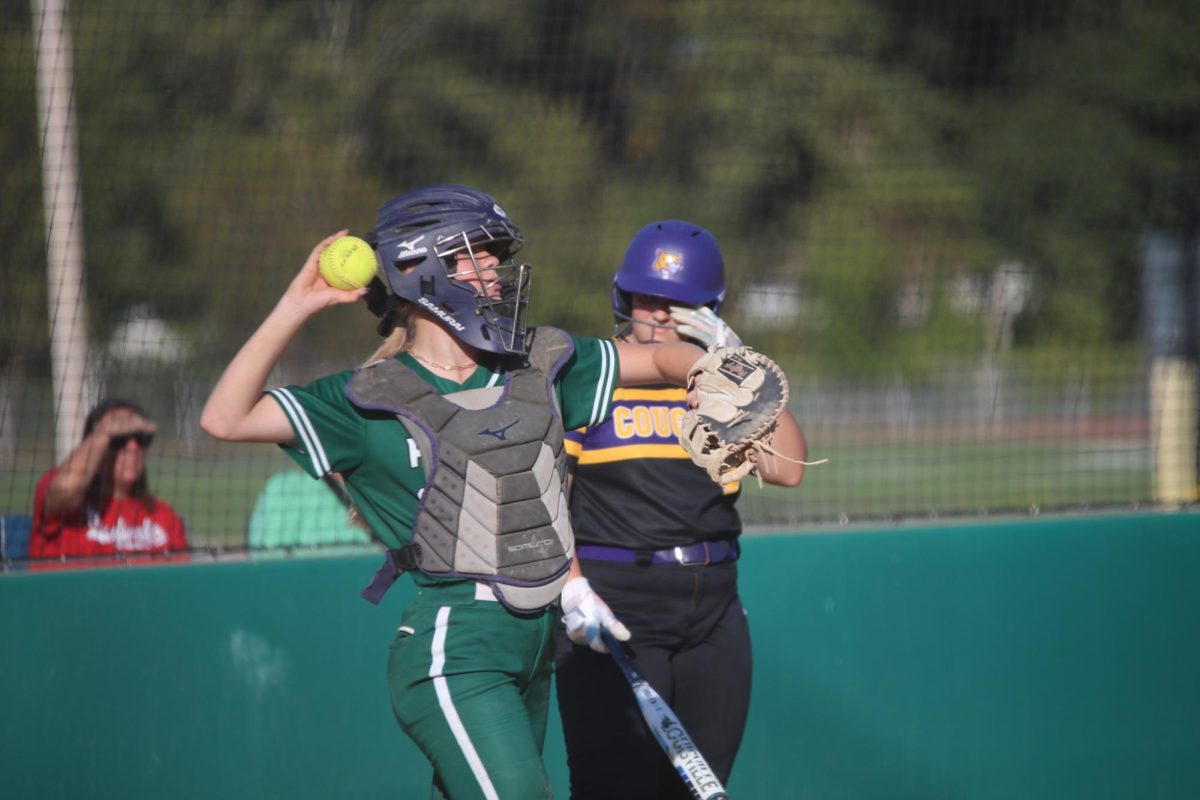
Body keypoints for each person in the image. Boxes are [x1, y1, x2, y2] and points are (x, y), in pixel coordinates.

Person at [199, 185, 706, 800]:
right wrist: (295, 306)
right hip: (455, 647)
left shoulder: (536, 361)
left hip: (539, 640)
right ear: (420, 269)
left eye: (494, 254)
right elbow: (224, 418)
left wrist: (709, 369)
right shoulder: (366, 398)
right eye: (475, 254)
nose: (495, 268)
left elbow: (658, 363)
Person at [555, 220, 813, 799]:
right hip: (617, 605)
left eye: (681, 303)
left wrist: (736, 360)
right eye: (650, 299)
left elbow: (789, 468)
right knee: (613, 788)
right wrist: (570, 589)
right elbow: (551, 497)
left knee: (700, 788)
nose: (663, 315)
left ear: (709, 309)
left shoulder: (718, 387)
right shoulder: (593, 376)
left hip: (714, 610)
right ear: (625, 299)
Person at [30, 398, 189, 560]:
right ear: (94, 444)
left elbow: (183, 579)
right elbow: (66, 489)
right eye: (119, 439)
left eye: (140, 438)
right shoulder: (63, 499)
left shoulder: (162, 514)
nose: (133, 448)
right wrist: (104, 432)